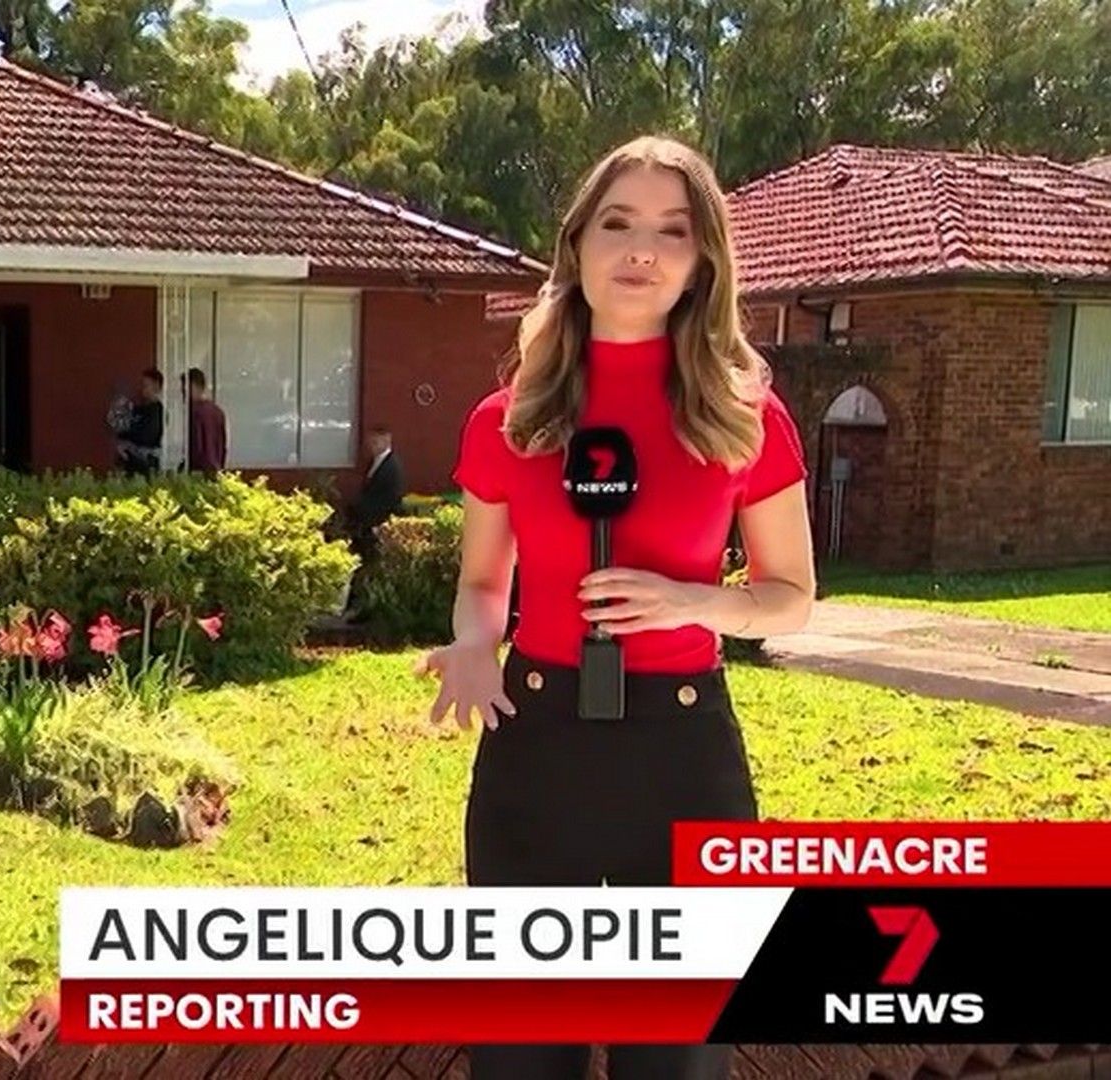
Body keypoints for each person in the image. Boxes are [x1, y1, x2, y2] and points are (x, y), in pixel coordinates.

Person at [416, 135, 815, 1080]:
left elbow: (791, 599)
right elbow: (483, 585)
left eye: (673, 231)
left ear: (703, 260)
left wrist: (689, 602)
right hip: (536, 746)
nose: (642, 250)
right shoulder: (508, 419)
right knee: (520, 1058)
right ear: (577, 245)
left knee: (677, 1059)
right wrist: (473, 644)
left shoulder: (746, 415)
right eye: (618, 223)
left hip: (682, 759)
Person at [339, 425, 404, 617]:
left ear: (387, 441)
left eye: (377, 441)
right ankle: (356, 607)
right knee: (363, 565)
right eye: (371, 442)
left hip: (375, 525)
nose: (372, 445)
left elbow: (388, 499)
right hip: (365, 524)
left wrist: (373, 520)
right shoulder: (375, 463)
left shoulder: (391, 467)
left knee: (369, 567)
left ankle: (362, 608)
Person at [113, 368, 165, 477]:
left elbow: (147, 436)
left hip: (146, 464)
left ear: (156, 387)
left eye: (146, 385)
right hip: (130, 463)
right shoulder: (138, 409)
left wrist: (129, 439)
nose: (142, 389)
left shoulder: (156, 410)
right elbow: (122, 429)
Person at [185, 367, 227, 475]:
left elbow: (201, 444)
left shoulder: (198, 412)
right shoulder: (217, 411)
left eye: (185, 389)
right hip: (214, 466)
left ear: (195, 387)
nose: (183, 393)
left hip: (201, 469)